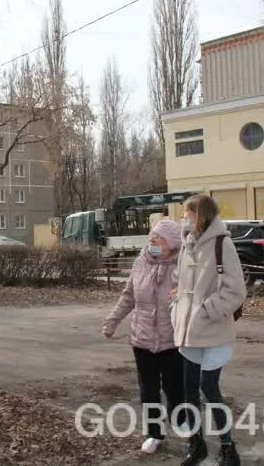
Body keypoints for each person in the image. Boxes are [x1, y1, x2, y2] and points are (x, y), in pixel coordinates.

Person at [171, 194, 247, 466]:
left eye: (187, 213)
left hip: (212, 331)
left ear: (200, 215)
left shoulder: (221, 243)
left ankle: (228, 448)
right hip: (189, 331)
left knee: (209, 388)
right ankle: (196, 444)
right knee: (189, 389)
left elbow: (236, 290)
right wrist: (177, 304)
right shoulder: (186, 243)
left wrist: (206, 310)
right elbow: (180, 280)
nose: (183, 218)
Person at [101, 220, 185, 454]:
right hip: (142, 338)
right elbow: (128, 296)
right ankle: (154, 433)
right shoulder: (140, 262)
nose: (152, 241)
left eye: (159, 238)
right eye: (152, 237)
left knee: (174, 388)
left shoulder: (183, 266)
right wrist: (112, 321)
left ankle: (181, 422)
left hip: (173, 339)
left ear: (172, 244)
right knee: (148, 390)